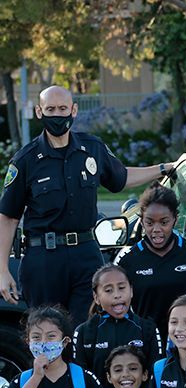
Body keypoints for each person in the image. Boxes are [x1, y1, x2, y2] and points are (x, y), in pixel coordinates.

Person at [0, 85, 174, 325]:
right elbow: (7, 217)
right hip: (43, 261)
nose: (57, 115)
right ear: (39, 112)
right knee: (46, 332)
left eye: (63, 108)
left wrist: (164, 168)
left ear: (74, 110)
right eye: (50, 109)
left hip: (86, 255)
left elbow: (121, 177)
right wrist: (2, 270)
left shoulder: (91, 148)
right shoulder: (25, 160)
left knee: (88, 331)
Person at [115, 182, 186, 340]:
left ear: (175, 220)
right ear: (141, 221)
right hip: (145, 343)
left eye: (164, 222)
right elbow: (117, 304)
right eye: (149, 223)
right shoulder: (127, 258)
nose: (156, 229)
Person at [73, 263, 162, 388]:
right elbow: (80, 378)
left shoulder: (147, 328)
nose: (117, 295)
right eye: (108, 290)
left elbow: (156, 374)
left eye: (121, 288)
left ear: (131, 291)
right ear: (96, 297)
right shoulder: (83, 332)